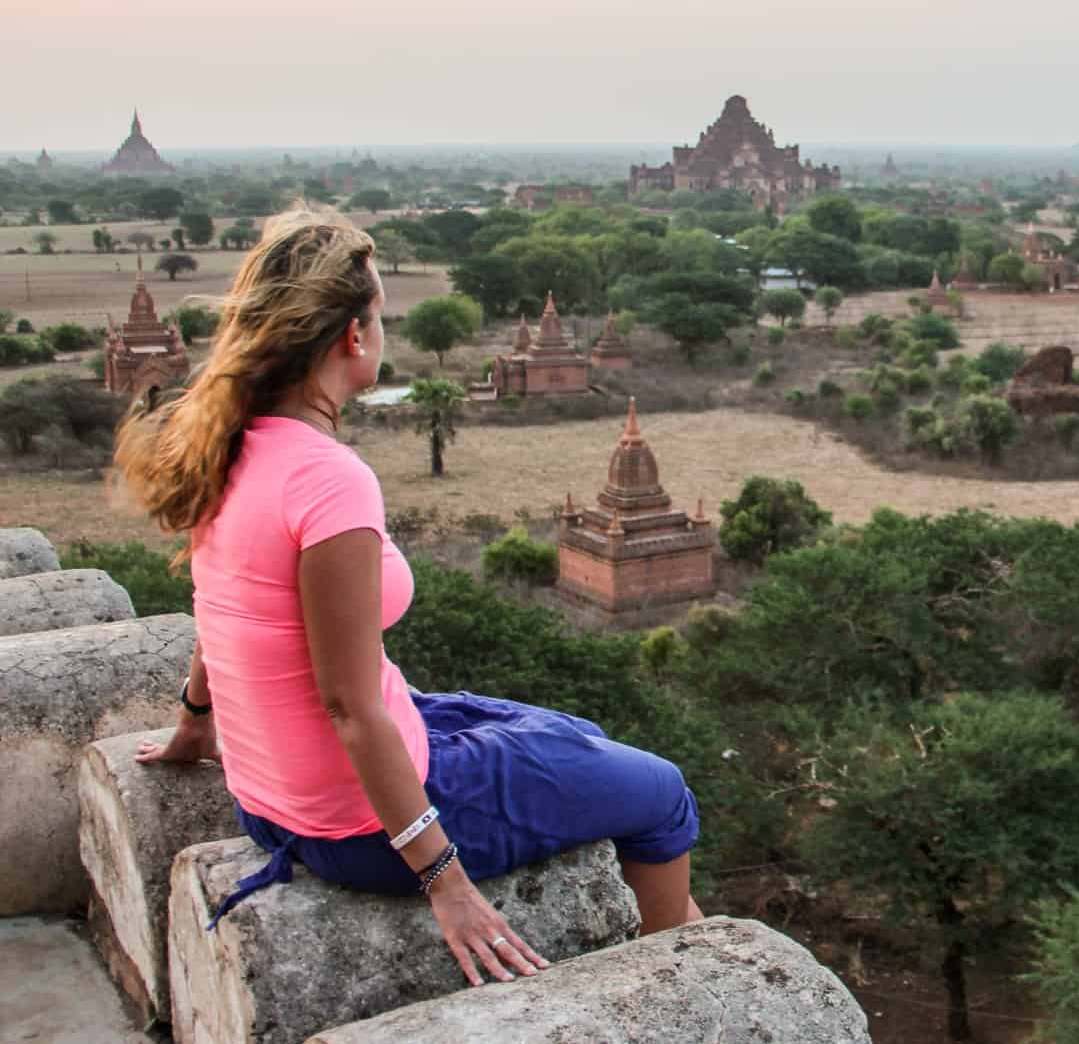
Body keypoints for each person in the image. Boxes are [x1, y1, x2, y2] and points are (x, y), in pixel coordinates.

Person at [117, 211, 700, 987]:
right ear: (353, 339)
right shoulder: (329, 479)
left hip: (265, 799)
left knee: (575, 733)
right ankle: (681, 987)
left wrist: (195, 723)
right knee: (661, 791)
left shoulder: (227, 443)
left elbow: (226, 604)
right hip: (356, 823)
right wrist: (445, 880)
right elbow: (349, 707)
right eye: (380, 314)